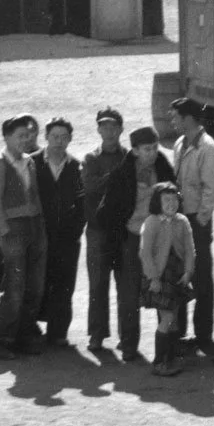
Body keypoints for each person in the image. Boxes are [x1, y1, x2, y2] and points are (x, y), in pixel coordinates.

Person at [94, 125, 175, 361]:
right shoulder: (122, 174)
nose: (152, 153)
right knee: (129, 294)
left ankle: (168, 344)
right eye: (147, 149)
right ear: (136, 150)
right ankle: (129, 345)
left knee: (165, 292)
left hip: (160, 238)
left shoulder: (163, 167)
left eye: (155, 148)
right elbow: (108, 211)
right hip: (131, 239)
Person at [0, 114, 46, 360]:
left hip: (35, 227)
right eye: (20, 136)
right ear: (7, 137)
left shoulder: (29, 162)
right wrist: (6, 232)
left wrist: (39, 226)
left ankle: (24, 336)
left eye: (28, 136)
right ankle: (2, 340)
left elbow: (35, 196)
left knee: (34, 285)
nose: (25, 140)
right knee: (14, 287)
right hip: (13, 231)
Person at [169, 97, 214, 354]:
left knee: (201, 277)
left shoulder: (209, 148)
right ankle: (179, 332)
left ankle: (203, 335)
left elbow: (210, 191)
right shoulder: (180, 143)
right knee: (179, 274)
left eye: (175, 117)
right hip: (180, 218)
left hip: (196, 220)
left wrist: (200, 222)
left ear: (188, 118)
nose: (172, 121)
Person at [80, 108, 132, 352]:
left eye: (113, 127)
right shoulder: (90, 158)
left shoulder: (129, 156)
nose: (109, 131)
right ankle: (97, 334)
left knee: (126, 285)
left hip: (124, 230)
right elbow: (89, 187)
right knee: (97, 285)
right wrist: (117, 179)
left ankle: (127, 336)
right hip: (98, 229)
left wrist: (110, 180)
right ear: (98, 130)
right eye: (104, 126)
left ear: (121, 129)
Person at [36, 117, 87, 347]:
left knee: (64, 285)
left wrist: (74, 231)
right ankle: (31, 329)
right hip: (37, 235)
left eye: (64, 137)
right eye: (54, 136)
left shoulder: (77, 167)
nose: (59, 141)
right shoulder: (32, 163)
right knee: (37, 282)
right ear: (46, 137)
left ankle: (58, 333)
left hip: (67, 238)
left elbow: (83, 204)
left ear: (70, 139)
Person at [139, 181, 196, 376]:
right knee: (168, 318)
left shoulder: (182, 221)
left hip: (177, 275)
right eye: (166, 200)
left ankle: (170, 359)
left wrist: (188, 272)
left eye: (174, 200)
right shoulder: (152, 222)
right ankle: (158, 362)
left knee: (175, 319)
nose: (171, 204)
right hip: (160, 276)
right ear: (158, 202)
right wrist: (153, 278)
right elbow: (145, 253)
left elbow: (189, 249)